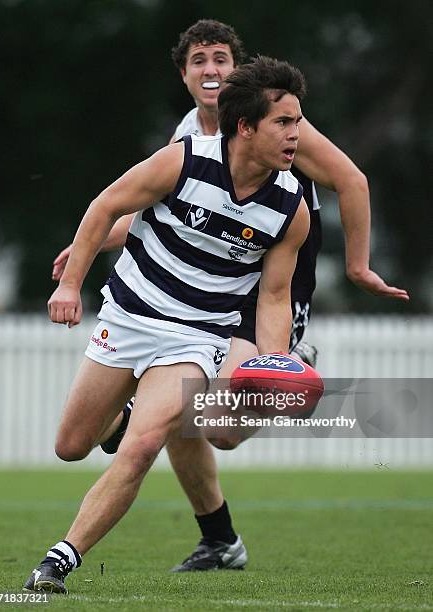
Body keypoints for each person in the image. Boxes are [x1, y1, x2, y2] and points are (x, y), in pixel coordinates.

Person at [51, 19, 409, 573]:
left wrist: (358, 266)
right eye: (200, 61)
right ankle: (219, 537)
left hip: (271, 273)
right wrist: (90, 248)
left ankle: (282, 366)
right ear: (184, 75)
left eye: (221, 60)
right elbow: (167, 215)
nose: (212, 71)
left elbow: (353, 182)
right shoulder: (188, 139)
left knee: (217, 428)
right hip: (209, 277)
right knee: (175, 416)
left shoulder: (279, 122)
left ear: (236, 71)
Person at [25, 55, 311, 593]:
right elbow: (105, 206)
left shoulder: (290, 206)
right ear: (246, 127)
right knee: (71, 445)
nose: (296, 134)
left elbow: (274, 294)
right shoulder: (182, 162)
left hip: (198, 337)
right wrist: (70, 285)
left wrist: (274, 362)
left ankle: (58, 562)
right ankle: (126, 413)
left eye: (297, 121)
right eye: (284, 122)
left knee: (142, 444)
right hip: (129, 318)